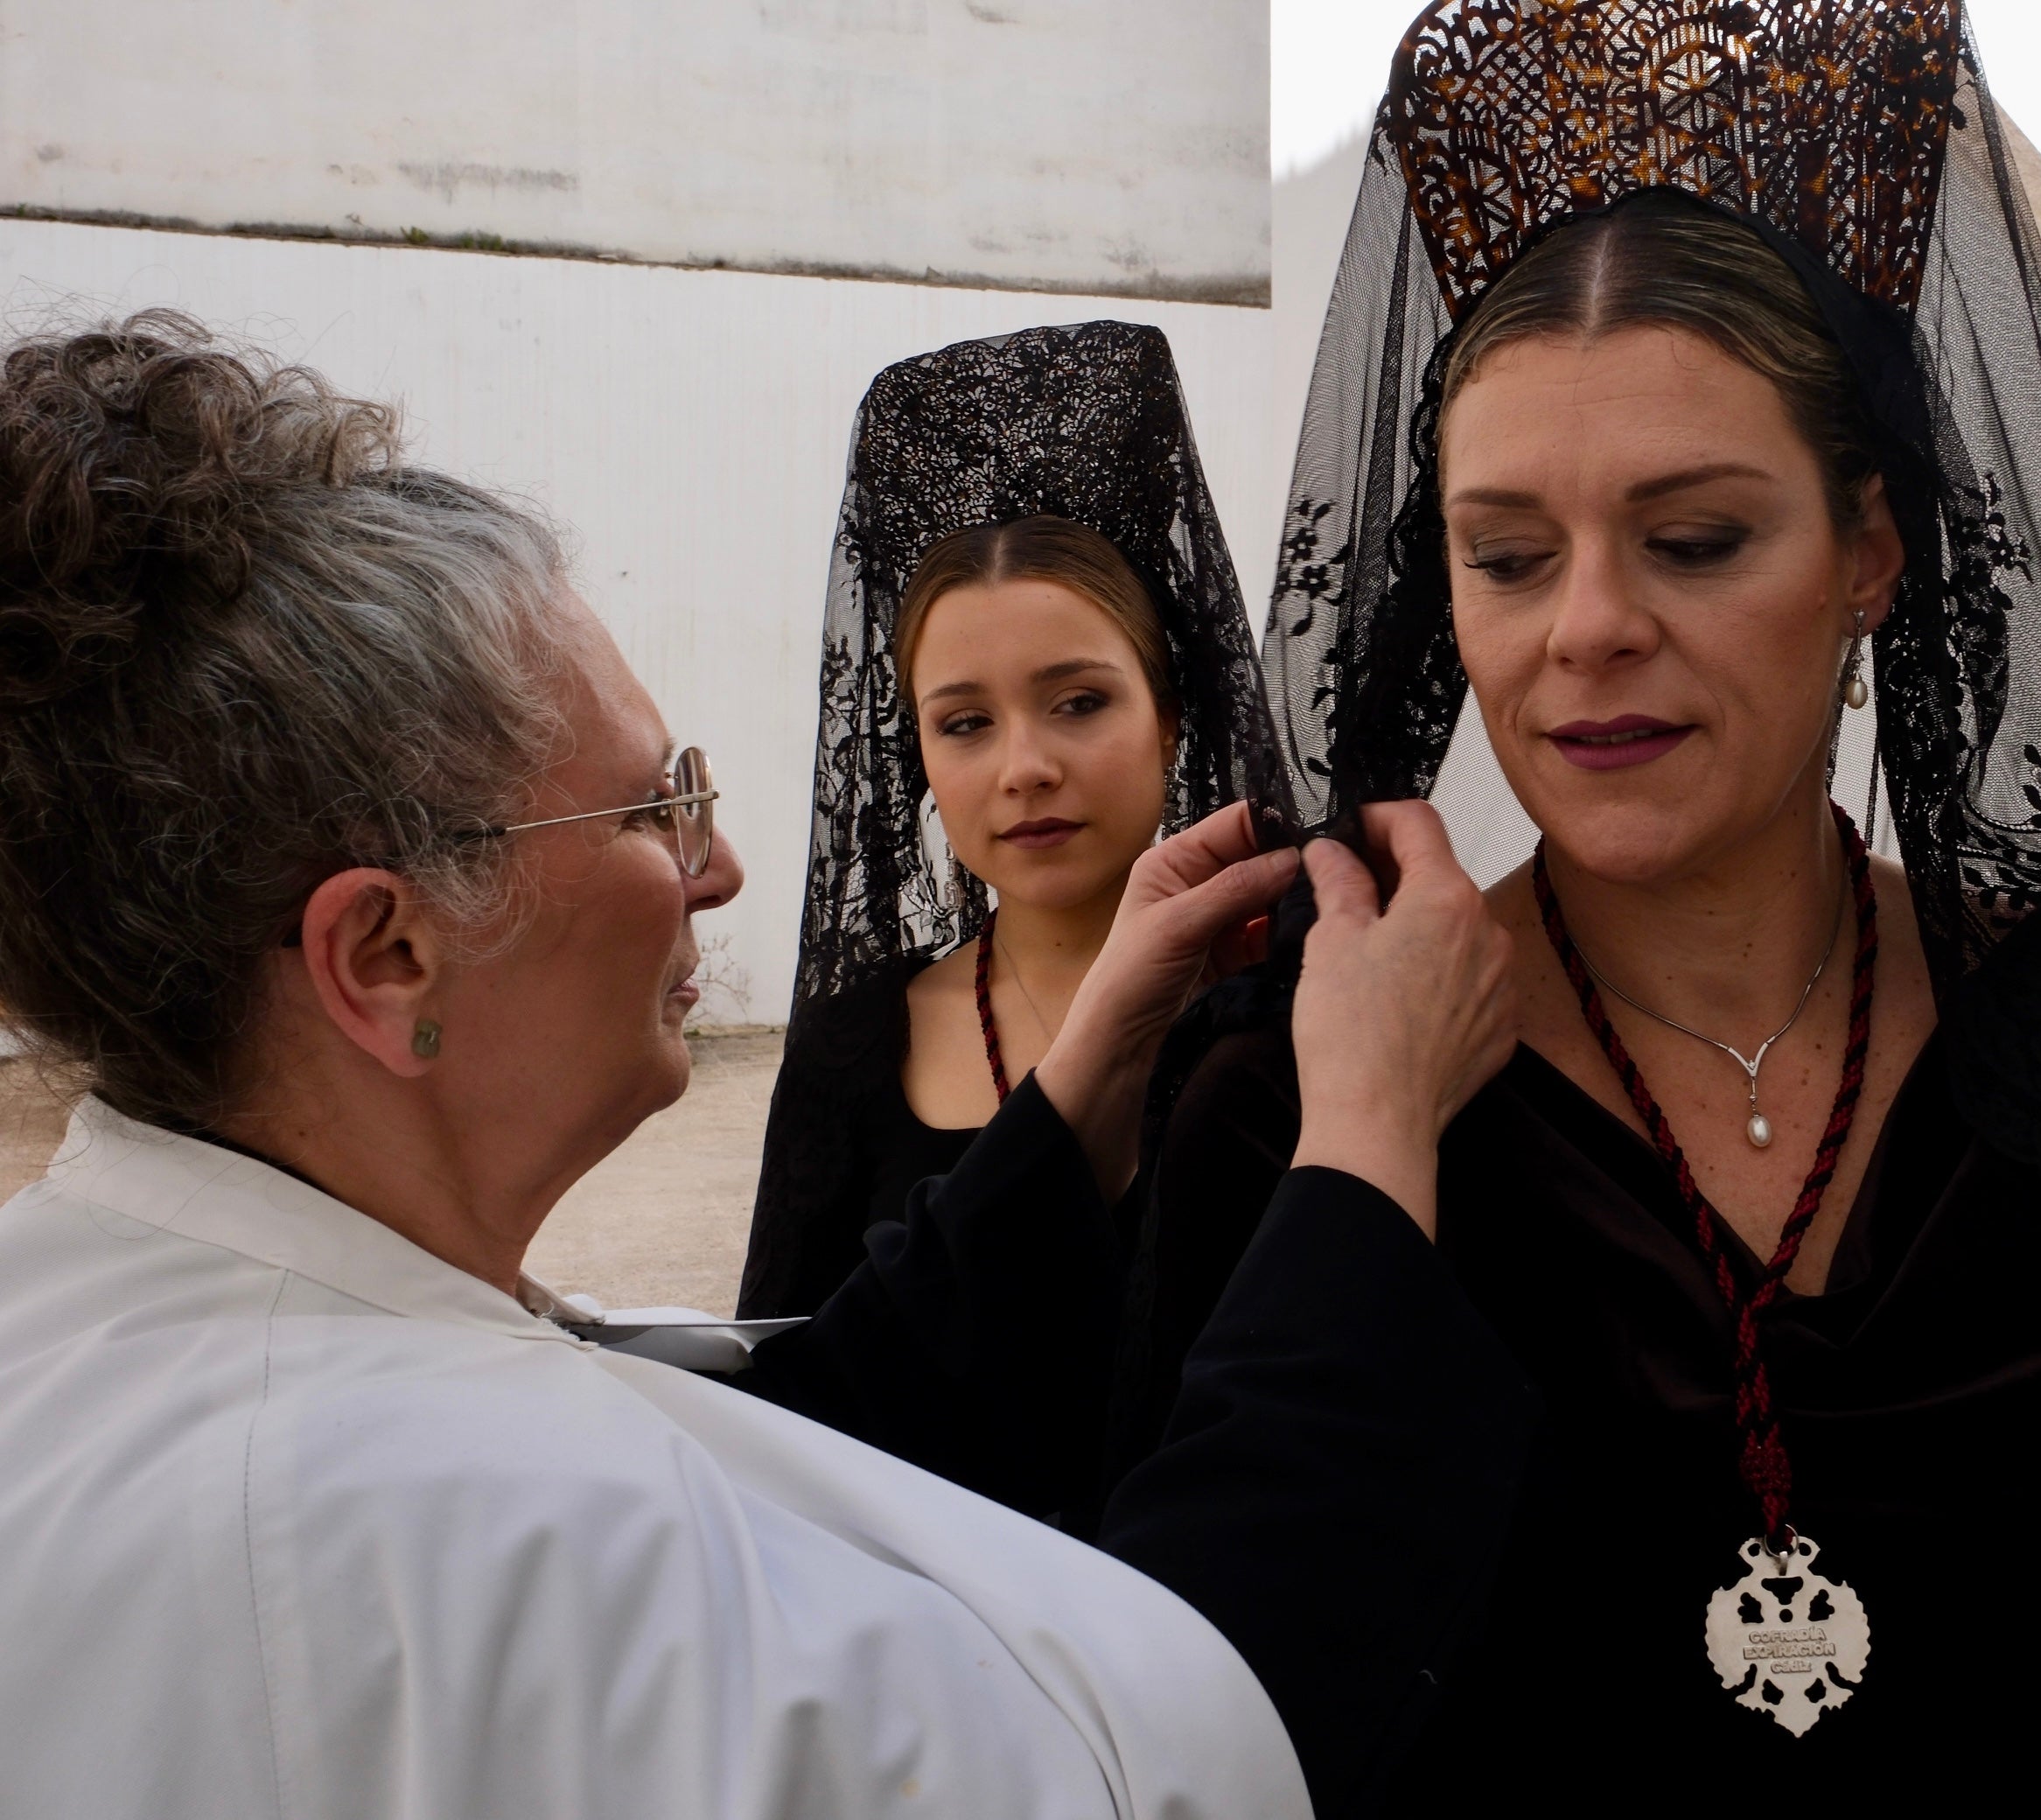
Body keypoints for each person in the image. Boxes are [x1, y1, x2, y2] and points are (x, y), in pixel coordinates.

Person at [1113, 4, 2041, 1815]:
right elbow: (1183, 1717)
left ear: (1869, 554)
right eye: (1507, 557)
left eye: (1693, 539)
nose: (1585, 623)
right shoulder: (1299, 1118)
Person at [0, 311, 1527, 1820]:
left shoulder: (99, 1318)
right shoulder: (495, 1547)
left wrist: (1096, 1060)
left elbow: (782, 1437)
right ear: (385, 955)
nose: (720, 868)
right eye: (652, 808)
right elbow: (1175, 1761)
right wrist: (1376, 1134)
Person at [737, 322, 1288, 1327]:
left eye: (1078, 702)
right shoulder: (863, 1041)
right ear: (920, 758)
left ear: (1170, 719)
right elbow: (796, 1391)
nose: (1025, 768)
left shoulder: (1290, 998)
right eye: (965, 723)